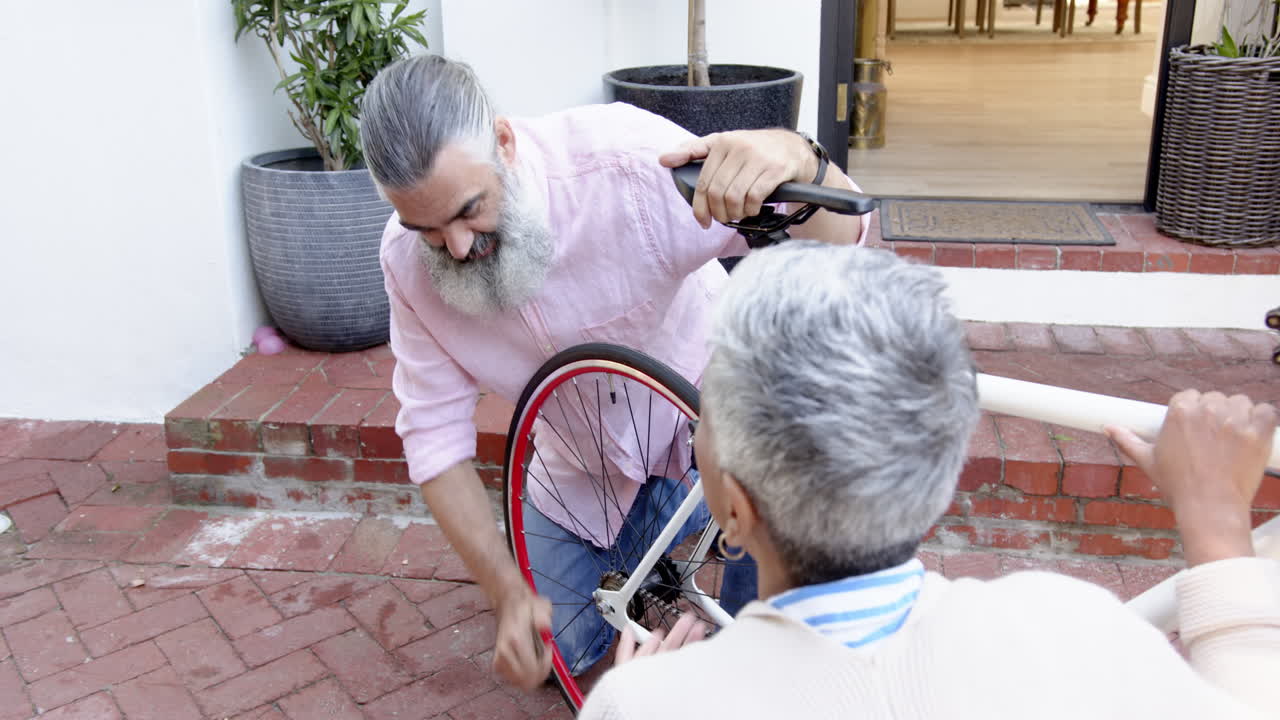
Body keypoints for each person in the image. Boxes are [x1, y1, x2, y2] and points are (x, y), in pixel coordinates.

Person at [579, 242, 1280, 719]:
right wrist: (1218, 525)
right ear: (939, 470)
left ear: (733, 507)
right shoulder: (1074, 628)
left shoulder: (650, 705)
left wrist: (641, 689)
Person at [358, 54, 871, 689]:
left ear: (505, 143)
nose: (457, 247)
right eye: (427, 230)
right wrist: (505, 593)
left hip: (710, 429)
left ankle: (757, 652)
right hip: (582, 470)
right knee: (558, 656)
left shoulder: (625, 164)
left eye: (469, 210)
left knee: (786, 507)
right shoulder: (405, 263)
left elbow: (846, 242)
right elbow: (433, 438)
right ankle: (643, 562)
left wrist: (800, 161)